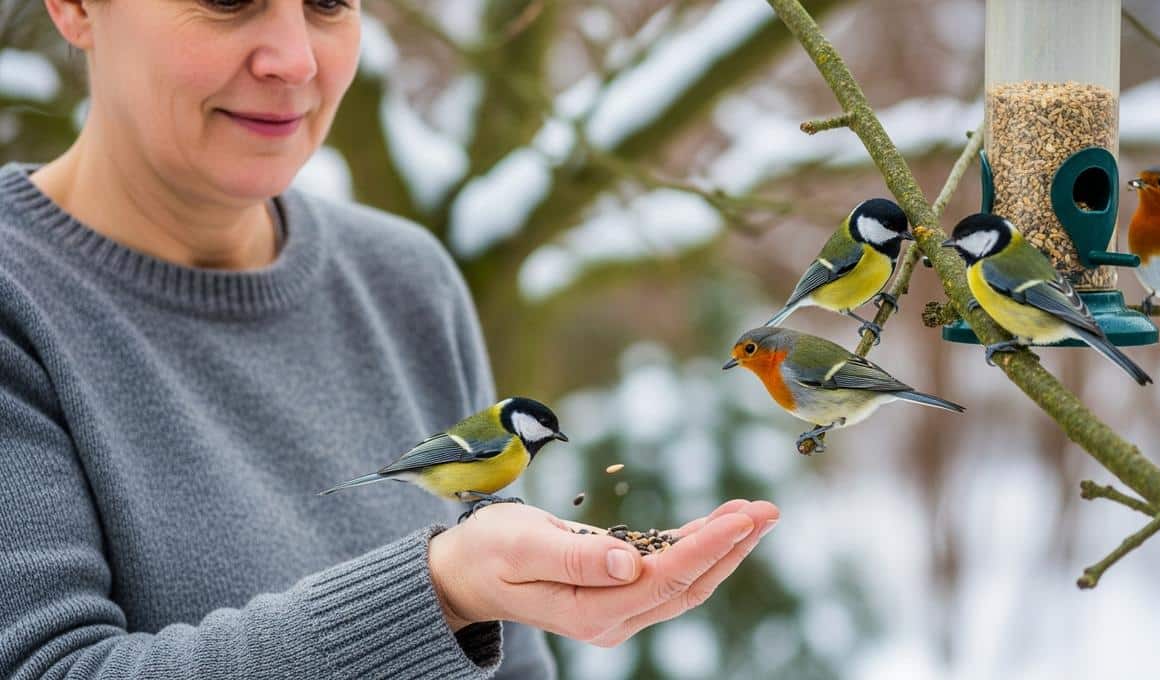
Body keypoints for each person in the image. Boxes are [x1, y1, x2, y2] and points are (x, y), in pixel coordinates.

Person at [0, 1, 780, 678]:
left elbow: (514, 666)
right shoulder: (17, 299)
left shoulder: (407, 281)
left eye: (330, 1)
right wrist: (437, 595)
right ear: (73, 5)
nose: (294, 59)